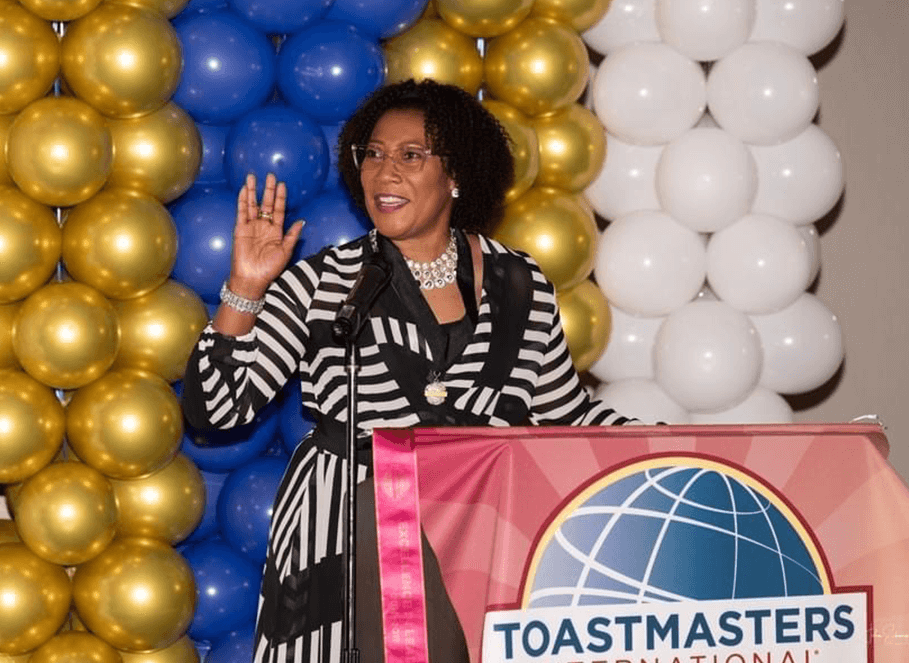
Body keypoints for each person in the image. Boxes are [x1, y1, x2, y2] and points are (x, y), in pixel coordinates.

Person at [181, 78, 634, 663]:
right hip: (348, 535)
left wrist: (678, 449)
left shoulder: (520, 283)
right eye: (372, 154)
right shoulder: (326, 283)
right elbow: (216, 410)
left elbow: (565, 414)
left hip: (481, 536)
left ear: (457, 174)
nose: (384, 172)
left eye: (410, 156)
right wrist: (245, 285)